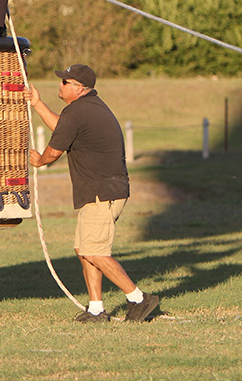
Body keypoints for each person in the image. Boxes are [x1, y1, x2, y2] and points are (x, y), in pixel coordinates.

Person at [27, 64, 159, 323]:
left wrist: (39, 160)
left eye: (65, 82)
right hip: (100, 191)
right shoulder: (85, 109)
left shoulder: (78, 112)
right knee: (84, 249)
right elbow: (63, 130)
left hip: (103, 192)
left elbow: (54, 151)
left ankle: (138, 299)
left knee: (95, 251)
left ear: (78, 88)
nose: (60, 85)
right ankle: (96, 310)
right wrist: (38, 103)